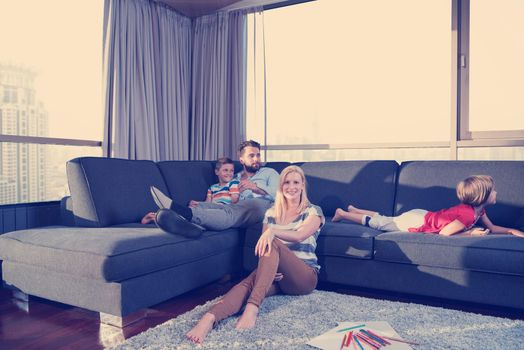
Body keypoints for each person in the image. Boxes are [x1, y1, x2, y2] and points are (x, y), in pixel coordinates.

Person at [186, 165, 325, 344]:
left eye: (296, 182)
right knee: (249, 282)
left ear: (303, 185)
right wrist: (269, 269)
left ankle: (252, 308)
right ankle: (209, 318)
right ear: (281, 187)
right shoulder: (271, 213)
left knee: (271, 239)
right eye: (286, 183)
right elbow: (265, 247)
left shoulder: (313, 211)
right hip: (280, 278)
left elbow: (299, 235)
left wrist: (273, 231)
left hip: (304, 277)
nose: (291, 187)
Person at [151, 140, 280, 238]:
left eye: (258, 155)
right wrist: (201, 204)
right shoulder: (235, 177)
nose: (256, 159)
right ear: (241, 160)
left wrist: (255, 188)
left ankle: (182, 212)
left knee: (236, 211)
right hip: (236, 207)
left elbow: (278, 194)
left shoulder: (269, 172)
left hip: (263, 206)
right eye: (251, 156)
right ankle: (187, 223)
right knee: (222, 208)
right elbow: (225, 199)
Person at [332, 175, 524, 237]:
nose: (497, 193)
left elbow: (492, 228)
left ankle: (354, 209)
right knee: (380, 224)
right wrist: (470, 232)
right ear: (482, 196)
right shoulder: (467, 215)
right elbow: (444, 233)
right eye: (494, 191)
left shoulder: (478, 210)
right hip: (416, 222)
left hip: (423, 215)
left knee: (388, 218)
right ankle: (343, 214)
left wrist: (511, 231)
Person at [141, 157, 239, 224]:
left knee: (199, 215)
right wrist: (198, 204)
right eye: (225, 170)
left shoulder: (233, 183)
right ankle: (157, 217)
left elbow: (234, 201)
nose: (229, 173)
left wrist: (239, 192)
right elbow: (207, 203)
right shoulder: (212, 188)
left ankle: (163, 217)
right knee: (194, 208)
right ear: (217, 172)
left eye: (231, 171)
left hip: (223, 209)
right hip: (211, 208)